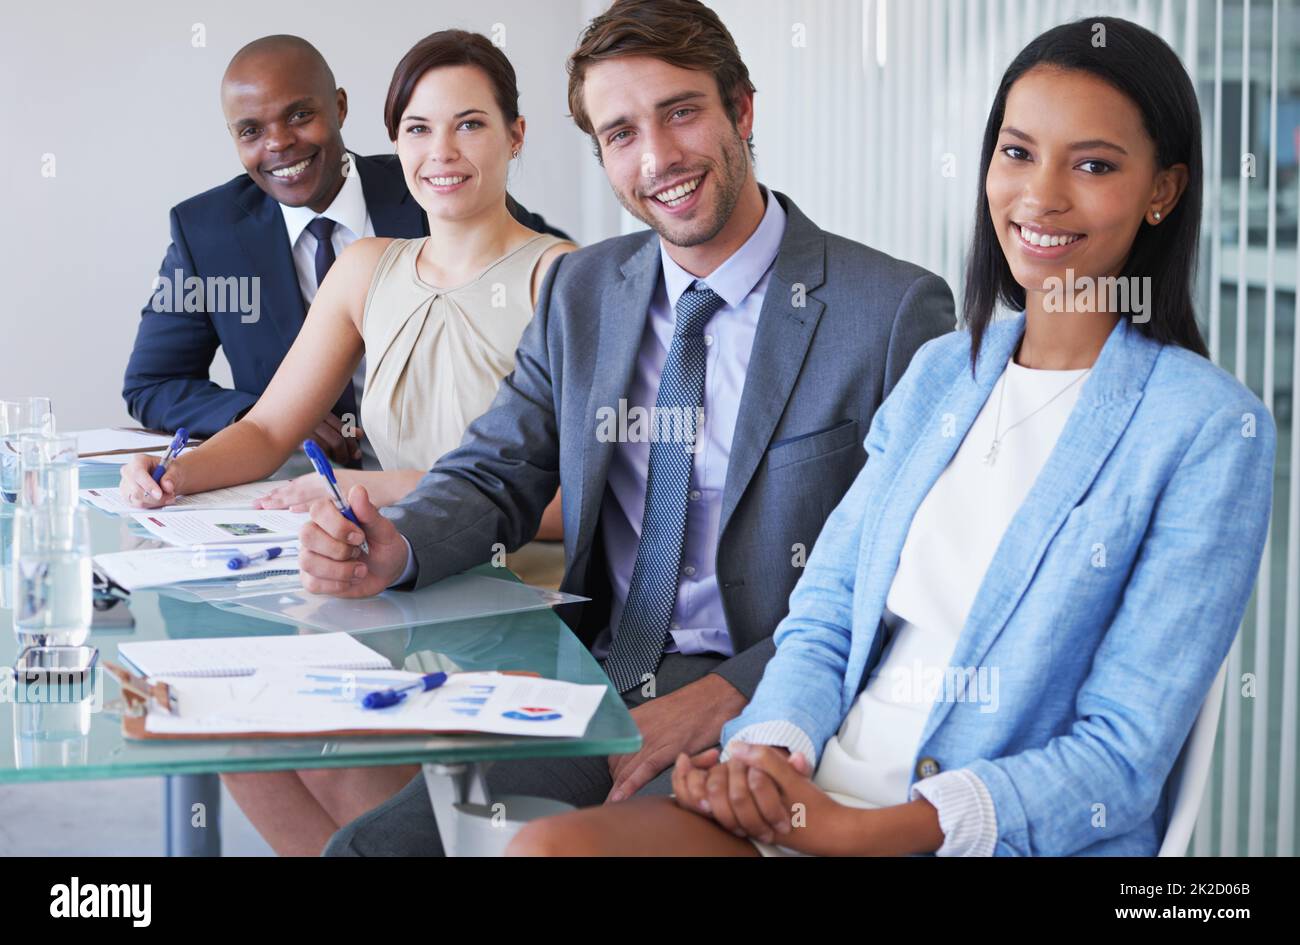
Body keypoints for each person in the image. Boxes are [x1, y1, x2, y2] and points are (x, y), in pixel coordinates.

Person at [505, 16, 1277, 857]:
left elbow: (1120, 755)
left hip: (951, 830)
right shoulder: (947, 371)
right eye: (1017, 153)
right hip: (813, 791)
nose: (1041, 195)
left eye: (1093, 165)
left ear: (1162, 190)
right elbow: (827, 614)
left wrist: (864, 830)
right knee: (545, 849)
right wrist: (766, 759)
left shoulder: (1205, 428)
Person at [297, 0, 955, 856]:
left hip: (778, 700)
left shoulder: (894, 311)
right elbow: (496, 471)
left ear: (742, 111)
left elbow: (914, 579)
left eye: (681, 112)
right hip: (599, 677)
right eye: (619, 133)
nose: (657, 157)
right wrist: (401, 543)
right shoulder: (585, 291)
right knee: (368, 853)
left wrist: (727, 693)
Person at [120, 29, 577, 856]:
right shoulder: (366, 266)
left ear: (515, 133)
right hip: (385, 591)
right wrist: (174, 471)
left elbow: (578, 505)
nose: (441, 152)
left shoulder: (565, 281)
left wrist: (399, 487)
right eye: (418, 129)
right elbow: (263, 431)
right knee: (215, 716)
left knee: (332, 767)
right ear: (392, 140)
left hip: (512, 606)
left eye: (470, 125)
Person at [121, 34, 567, 471]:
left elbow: (536, 267)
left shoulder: (442, 189)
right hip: (298, 476)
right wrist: (179, 469)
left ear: (339, 108)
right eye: (252, 130)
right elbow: (159, 385)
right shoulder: (207, 232)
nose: (277, 143)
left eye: (298, 115)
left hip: (458, 489)